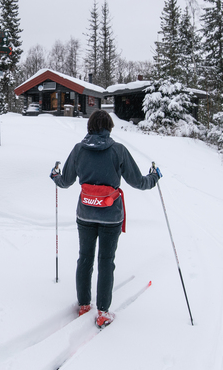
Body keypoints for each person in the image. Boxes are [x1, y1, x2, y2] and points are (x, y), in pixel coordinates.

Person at [51, 110, 161, 327]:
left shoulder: (79, 150)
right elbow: (138, 182)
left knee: (85, 258)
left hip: (85, 213)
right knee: (106, 261)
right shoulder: (118, 150)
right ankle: (102, 312)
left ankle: (84, 305)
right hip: (111, 217)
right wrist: (154, 177)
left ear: (90, 127)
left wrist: (55, 175)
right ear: (109, 127)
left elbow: (65, 181)